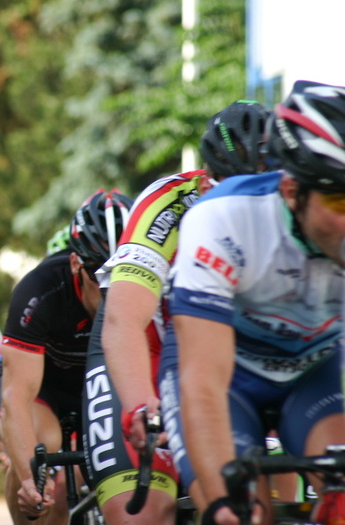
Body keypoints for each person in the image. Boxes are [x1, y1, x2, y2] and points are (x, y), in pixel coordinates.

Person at [160, 80, 345, 525]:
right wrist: (223, 504)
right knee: (243, 514)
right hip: (225, 378)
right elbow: (203, 383)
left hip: (312, 373)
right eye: (339, 199)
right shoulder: (222, 220)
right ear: (292, 191)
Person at [81, 99, 270, 525]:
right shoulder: (169, 204)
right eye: (234, 192)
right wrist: (139, 406)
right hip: (145, 345)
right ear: (204, 183)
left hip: (236, 356)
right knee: (144, 514)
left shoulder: (298, 203)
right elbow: (124, 320)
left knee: (265, 500)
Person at [0, 189, 132, 524]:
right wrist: (29, 479)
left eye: (124, 273)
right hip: (44, 385)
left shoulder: (149, 291)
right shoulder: (41, 290)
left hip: (104, 383)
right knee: (42, 450)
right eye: (99, 274)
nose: (111, 289)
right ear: (75, 264)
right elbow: (16, 398)